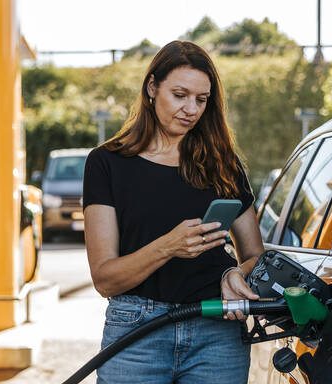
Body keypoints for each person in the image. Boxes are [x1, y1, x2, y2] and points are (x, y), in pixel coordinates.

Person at [83, 40, 265, 383]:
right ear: (152, 88)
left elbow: (254, 254)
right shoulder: (107, 164)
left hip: (217, 332)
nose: (191, 110)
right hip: (136, 331)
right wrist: (169, 246)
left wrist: (234, 275)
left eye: (201, 100)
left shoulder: (224, 165)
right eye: (179, 95)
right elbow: (105, 279)